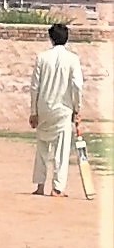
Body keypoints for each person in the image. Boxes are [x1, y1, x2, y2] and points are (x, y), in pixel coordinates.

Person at [30, 22, 84, 197]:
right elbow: (77, 86)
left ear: (51, 38)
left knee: (42, 148)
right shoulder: (73, 59)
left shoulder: (42, 57)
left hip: (44, 107)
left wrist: (33, 111)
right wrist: (77, 109)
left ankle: (39, 186)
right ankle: (57, 188)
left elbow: (34, 87)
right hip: (63, 109)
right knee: (61, 150)